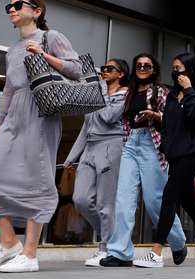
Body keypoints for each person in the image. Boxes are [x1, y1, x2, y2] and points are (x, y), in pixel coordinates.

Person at [0, 0, 82, 273]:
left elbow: (76, 69)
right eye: (8, 5)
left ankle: (31, 254)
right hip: (14, 116)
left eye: (17, 4)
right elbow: (9, 90)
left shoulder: (52, 37)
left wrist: (45, 56)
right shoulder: (11, 50)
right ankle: (9, 242)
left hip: (42, 112)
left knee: (38, 178)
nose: (11, 8)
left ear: (37, 11)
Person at [133, 53, 195, 268]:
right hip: (175, 153)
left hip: (194, 151)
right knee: (189, 203)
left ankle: (156, 252)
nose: (176, 72)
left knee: (169, 195)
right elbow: (171, 124)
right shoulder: (172, 94)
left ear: (190, 69)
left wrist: (189, 90)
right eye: (174, 68)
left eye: (180, 68)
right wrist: (156, 119)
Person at [99, 54, 187, 267]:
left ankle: (177, 241)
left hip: (152, 144)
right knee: (123, 199)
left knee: (154, 199)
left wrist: (157, 117)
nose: (142, 68)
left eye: (147, 65)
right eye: (139, 65)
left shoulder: (161, 91)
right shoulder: (128, 91)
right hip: (131, 144)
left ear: (154, 69)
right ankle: (120, 252)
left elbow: (176, 120)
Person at [64, 58, 129, 267]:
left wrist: (97, 93)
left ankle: (106, 248)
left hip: (111, 146)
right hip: (90, 148)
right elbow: (86, 128)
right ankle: (111, 236)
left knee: (105, 203)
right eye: (103, 69)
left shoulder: (124, 95)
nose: (104, 72)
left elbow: (109, 117)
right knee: (80, 199)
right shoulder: (97, 94)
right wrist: (71, 156)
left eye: (110, 69)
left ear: (121, 74)